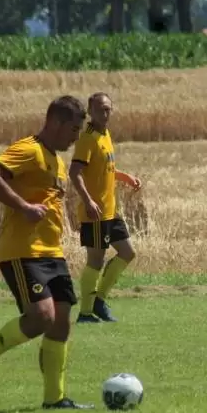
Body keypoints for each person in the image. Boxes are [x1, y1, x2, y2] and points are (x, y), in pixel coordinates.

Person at [0, 95, 94, 410]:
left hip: (53, 252)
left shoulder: (57, 161)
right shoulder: (28, 149)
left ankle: (55, 399)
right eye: (73, 130)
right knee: (42, 317)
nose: (76, 137)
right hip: (23, 251)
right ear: (56, 122)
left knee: (61, 322)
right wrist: (23, 206)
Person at [69, 92, 141, 324]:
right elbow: (75, 172)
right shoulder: (87, 138)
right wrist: (88, 201)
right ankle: (85, 312)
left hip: (110, 210)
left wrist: (125, 177)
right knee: (95, 261)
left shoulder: (105, 134)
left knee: (128, 253)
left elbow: (104, 169)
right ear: (90, 112)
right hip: (96, 212)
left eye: (108, 109)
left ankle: (98, 300)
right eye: (100, 109)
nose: (105, 113)